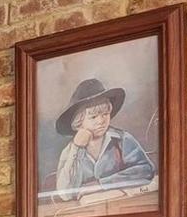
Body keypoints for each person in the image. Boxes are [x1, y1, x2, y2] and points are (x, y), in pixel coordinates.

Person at [44, 76, 156, 205]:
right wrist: (77, 147)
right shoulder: (70, 151)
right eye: (93, 117)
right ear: (79, 122)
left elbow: (146, 170)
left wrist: (101, 184)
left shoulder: (122, 139)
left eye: (105, 114)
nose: (101, 121)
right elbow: (65, 194)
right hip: (86, 211)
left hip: (123, 204)